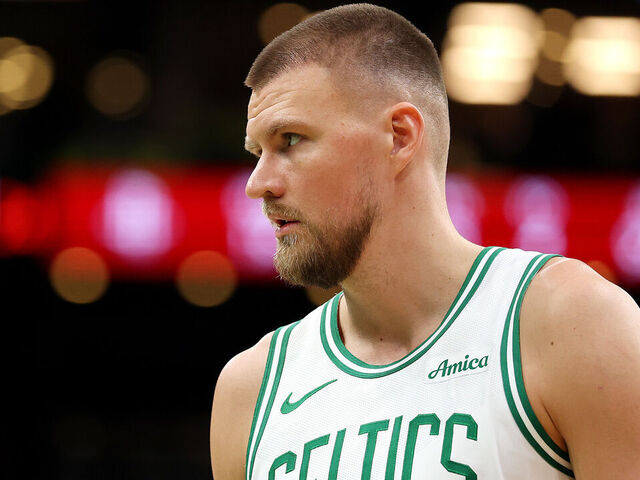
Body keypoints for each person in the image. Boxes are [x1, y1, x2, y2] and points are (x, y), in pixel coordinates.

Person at [210, 4, 640, 479]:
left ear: (399, 137)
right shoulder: (249, 391)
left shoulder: (574, 324)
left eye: (290, 140)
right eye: (257, 152)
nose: (258, 184)